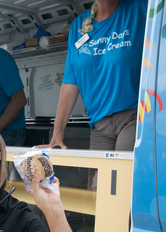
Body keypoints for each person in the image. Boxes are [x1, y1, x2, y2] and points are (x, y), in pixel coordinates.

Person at [39, 0, 147, 151]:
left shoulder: (140, 9)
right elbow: (70, 81)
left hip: (133, 118)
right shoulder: (78, 26)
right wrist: (57, 132)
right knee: (96, 175)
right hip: (98, 123)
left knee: (119, 173)